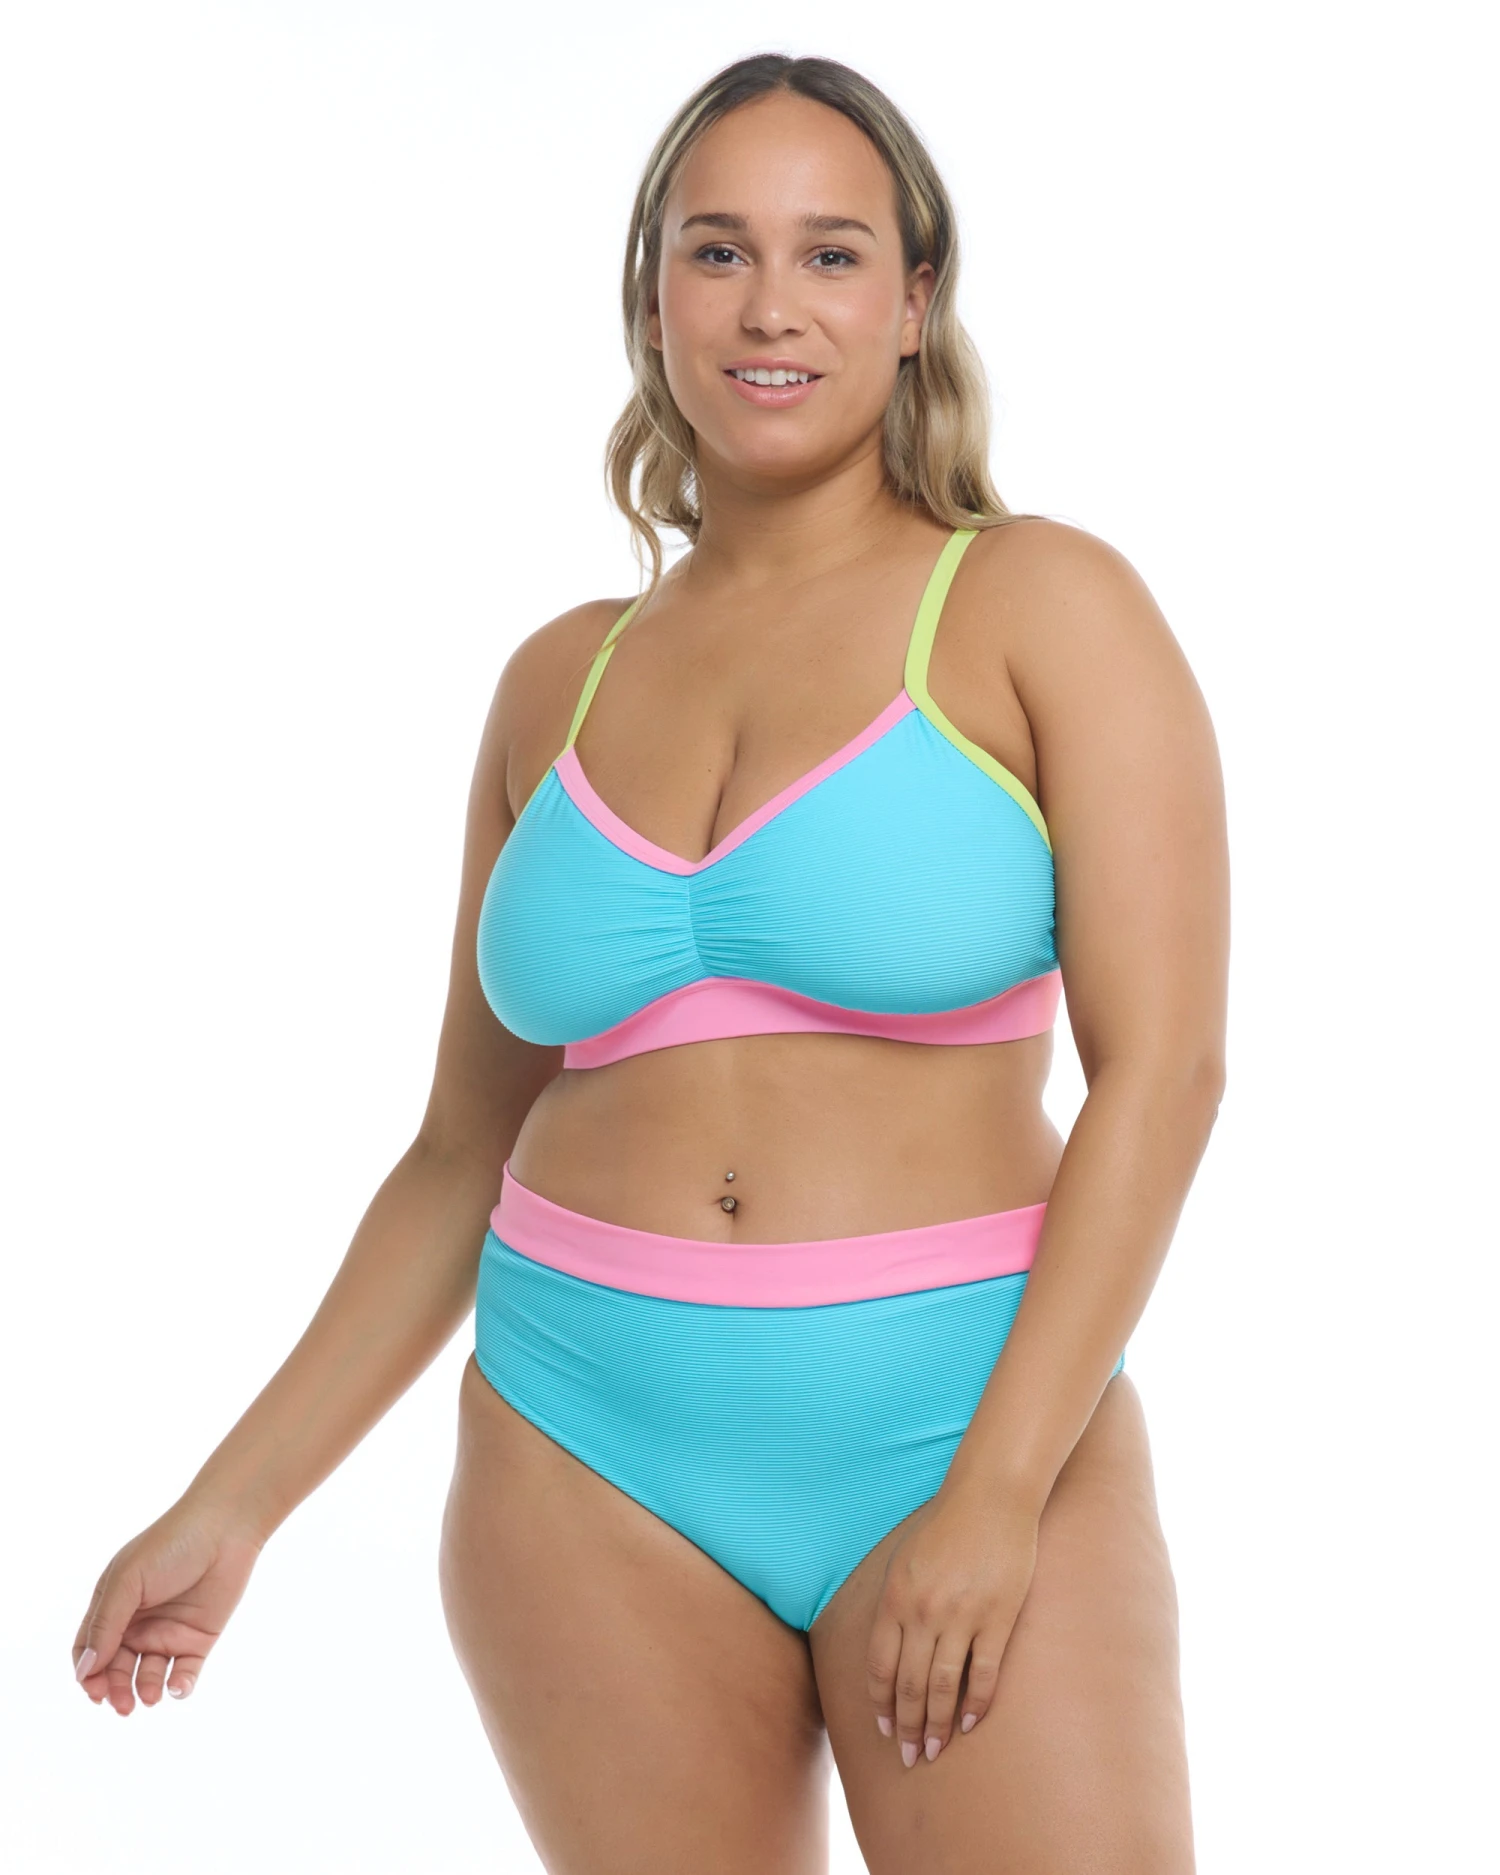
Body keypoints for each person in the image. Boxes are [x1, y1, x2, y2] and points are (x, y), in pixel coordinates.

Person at [72, 51, 1228, 1875]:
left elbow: (1164, 1074)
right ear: (654, 293)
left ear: (914, 301)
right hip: (580, 1439)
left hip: (953, 1412)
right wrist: (235, 1502)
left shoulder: (1041, 604)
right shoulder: (560, 677)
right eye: (718, 250)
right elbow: (457, 1151)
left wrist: (1001, 1489)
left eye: (832, 254)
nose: (771, 306)